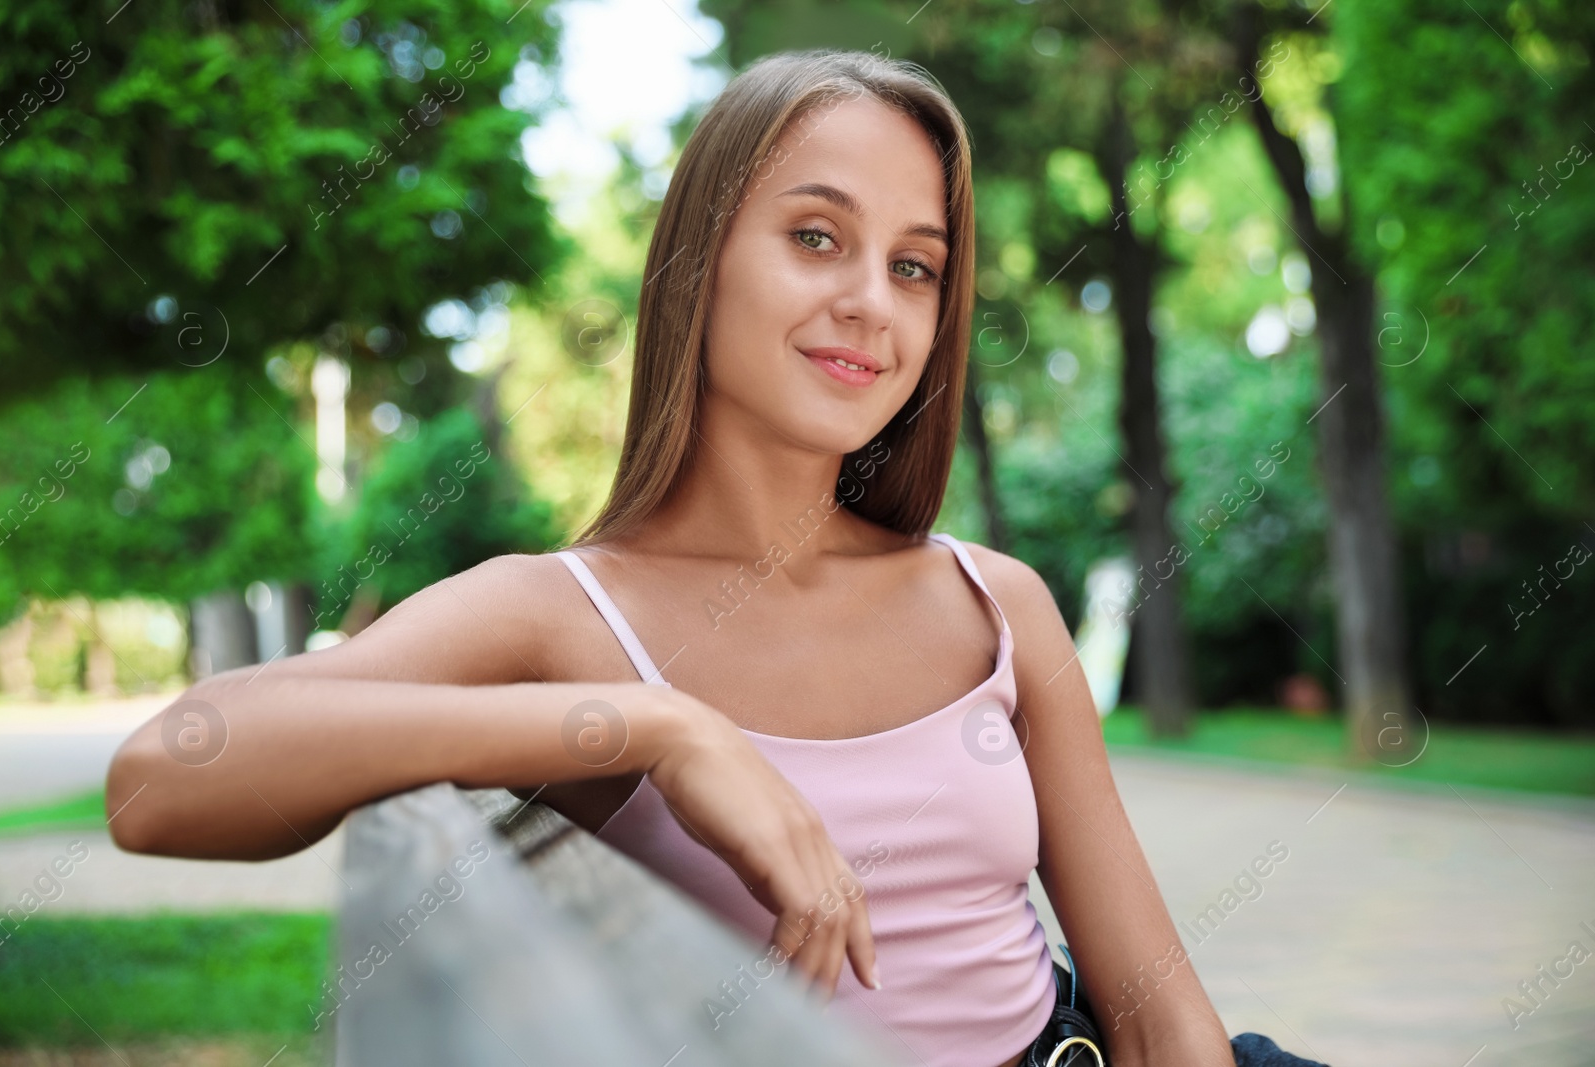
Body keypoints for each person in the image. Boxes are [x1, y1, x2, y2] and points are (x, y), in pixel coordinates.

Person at [106, 48, 1327, 1067]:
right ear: (696, 263)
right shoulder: (560, 613)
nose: (872, 302)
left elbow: (1160, 1012)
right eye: (814, 237)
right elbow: (161, 778)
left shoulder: (993, 601)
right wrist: (648, 727)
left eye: (914, 266)